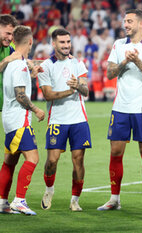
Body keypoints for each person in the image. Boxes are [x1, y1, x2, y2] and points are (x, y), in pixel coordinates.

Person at [97, 9, 142, 212]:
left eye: (130, 21)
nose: (126, 24)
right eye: (125, 21)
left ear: (141, 23)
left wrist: (137, 61)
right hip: (121, 107)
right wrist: (125, 61)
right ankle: (114, 199)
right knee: (116, 152)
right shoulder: (118, 45)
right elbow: (109, 74)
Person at [38, 28, 91, 212]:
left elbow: (86, 91)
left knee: (79, 160)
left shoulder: (79, 64)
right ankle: (49, 190)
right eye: (62, 42)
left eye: (68, 42)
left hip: (78, 120)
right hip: (57, 120)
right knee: (52, 161)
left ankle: (75, 200)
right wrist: (71, 90)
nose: (66, 45)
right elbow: (47, 95)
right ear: (54, 44)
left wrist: (79, 86)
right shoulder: (46, 66)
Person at [0, 25, 45, 215]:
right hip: (20, 120)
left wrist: (32, 74)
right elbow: (20, 95)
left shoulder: (13, 63)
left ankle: (2, 202)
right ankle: (19, 200)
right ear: (30, 42)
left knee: (10, 161)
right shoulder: (18, 65)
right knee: (33, 158)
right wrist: (36, 110)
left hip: (9, 119)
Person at [0, 14, 21, 111]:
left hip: (4, 107)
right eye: (8, 33)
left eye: (12, 34)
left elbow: (25, 62)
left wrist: (61, 58)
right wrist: (6, 60)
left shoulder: (9, 49)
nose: (10, 38)